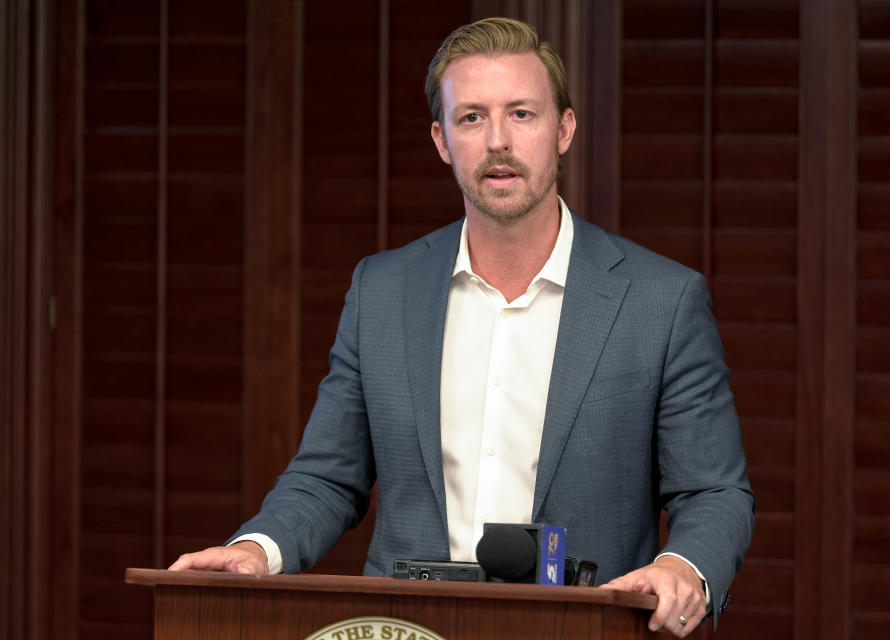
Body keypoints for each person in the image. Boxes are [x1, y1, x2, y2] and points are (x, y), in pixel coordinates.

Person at [169, 17, 754, 638]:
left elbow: (715, 492)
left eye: (522, 114)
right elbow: (327, 476)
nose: (497, 140)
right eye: (471, 117)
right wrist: (258, 549)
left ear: (564, 129)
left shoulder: (661, 300)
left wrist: (681, 566)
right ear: (442, 139)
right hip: (406, 628)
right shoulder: (382, 290)